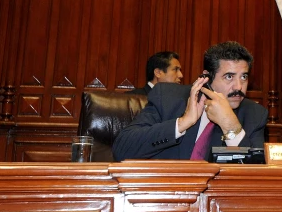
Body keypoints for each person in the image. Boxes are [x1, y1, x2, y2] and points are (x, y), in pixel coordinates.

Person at [113, 41, 267, 161]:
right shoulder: (168, 98)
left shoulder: (254, 114)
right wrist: (183, 122)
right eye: (229, 77)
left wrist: (231, 127)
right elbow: (123, 150)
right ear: (207, 77)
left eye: (244, 77)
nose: (239, 87)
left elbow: (255, 176)